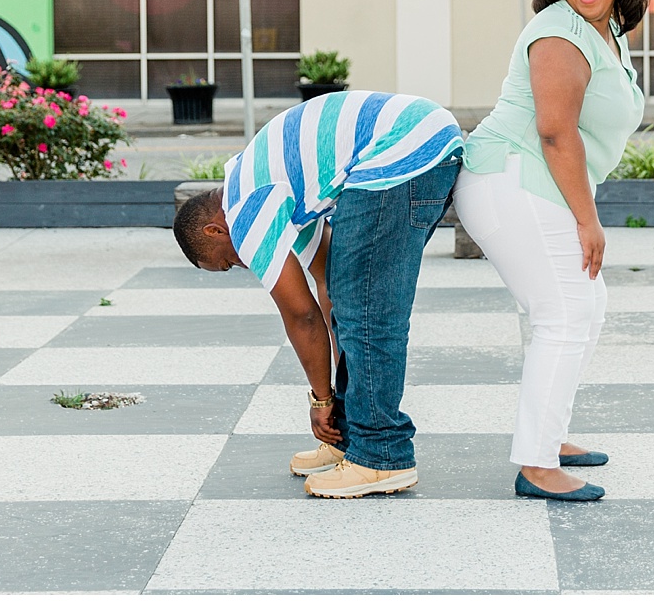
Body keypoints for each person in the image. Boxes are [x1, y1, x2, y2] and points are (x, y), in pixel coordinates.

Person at [172, 90, 462, 498]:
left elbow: (302, 316)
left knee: (369, 311)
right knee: (355, 298)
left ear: (214, 231)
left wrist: (321, 399)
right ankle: (352, 442)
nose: (242, 265)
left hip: (399, 150)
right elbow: (328, 285)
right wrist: (336, 415)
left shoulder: (243, 210)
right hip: (423, 139)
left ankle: (382, 456)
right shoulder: (277, 190)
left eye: (228, 262)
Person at [453, 0, 646, 502]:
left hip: (535, 185)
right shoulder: (559, 33)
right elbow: (556, 132)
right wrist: (588, 220)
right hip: (509, 179)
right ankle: (536, 464)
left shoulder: (609, 31)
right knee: (564, 313)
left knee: (587, 304)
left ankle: (550, 435)